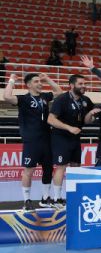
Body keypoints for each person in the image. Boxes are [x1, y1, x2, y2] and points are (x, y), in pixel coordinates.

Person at [3, 73, 62, 210]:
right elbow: (6, 96)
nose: (40, 83)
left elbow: (59, 92)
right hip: (31, 140)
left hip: (47, 139)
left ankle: (45, 199)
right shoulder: (23, 99)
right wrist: (11, 80)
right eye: (36, 81)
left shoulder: (44, 97)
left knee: (48, 169)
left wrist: (47, 79)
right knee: (28, 170)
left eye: (40, 81)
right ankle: (27, 201)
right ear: (29, 85)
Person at [47, 75, 101, 209]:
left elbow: (87, 121)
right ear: (71, 85)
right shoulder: (62, 99)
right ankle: (57, 199)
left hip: (75, 138)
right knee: (61, 166)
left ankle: (74, 196)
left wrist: (91, 114)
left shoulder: (85, 100)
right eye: (80, 84)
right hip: (61, 137)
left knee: (76, 166)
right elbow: (50, 119)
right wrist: (69, 128)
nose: (84, 86)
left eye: (84, 83)